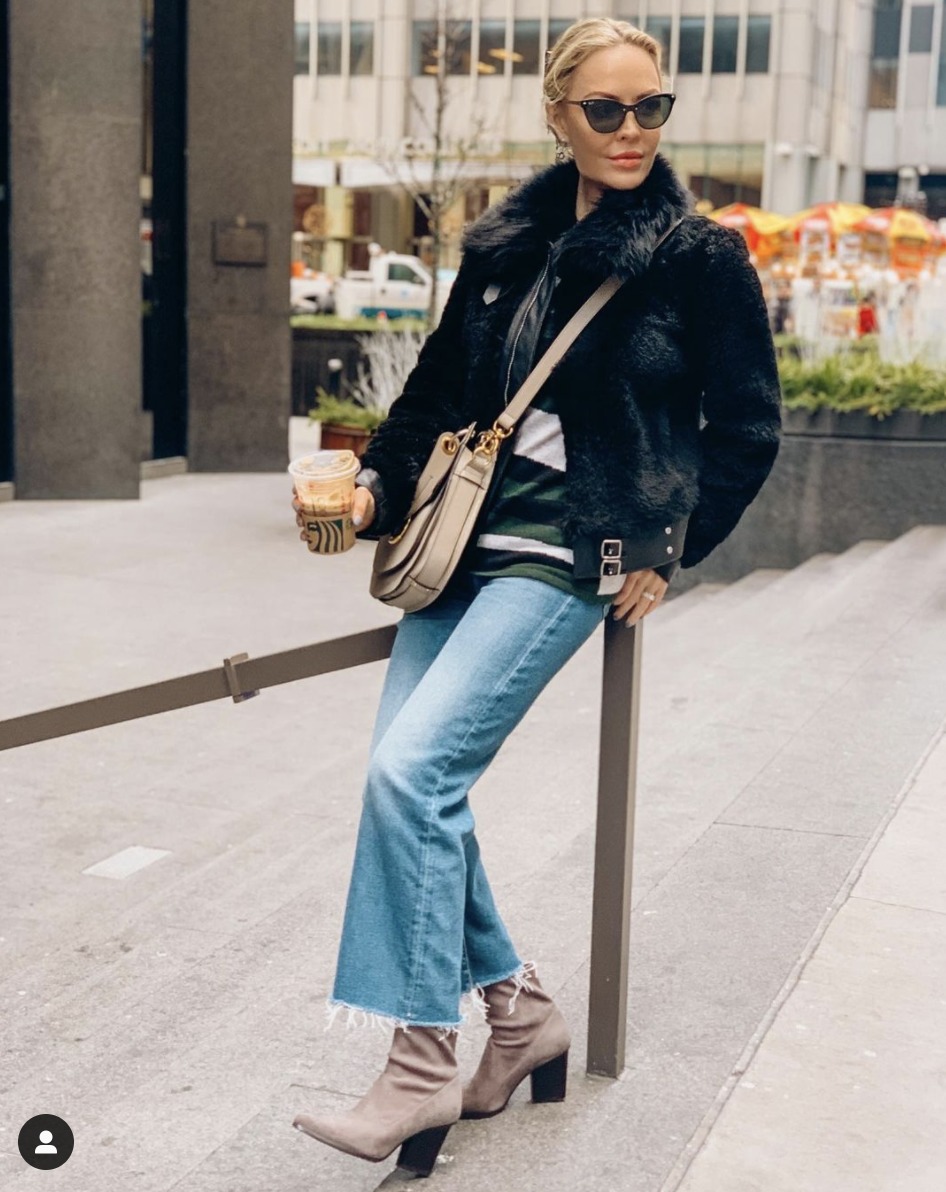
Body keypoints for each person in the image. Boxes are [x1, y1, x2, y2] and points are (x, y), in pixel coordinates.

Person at [291, 16, 781, 1176]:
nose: (629, 130)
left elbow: (748, 426)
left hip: (572, 554)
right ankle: (519, 1015)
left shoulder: (698, 256)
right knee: (409, 784)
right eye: (605, 110)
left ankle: (419, 1069)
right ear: (557, 115)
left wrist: (673, 540)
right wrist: (369, 493)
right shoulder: (504, 242)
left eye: (649, 107)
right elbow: (433, 396)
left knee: (414, 774)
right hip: (462, 546)